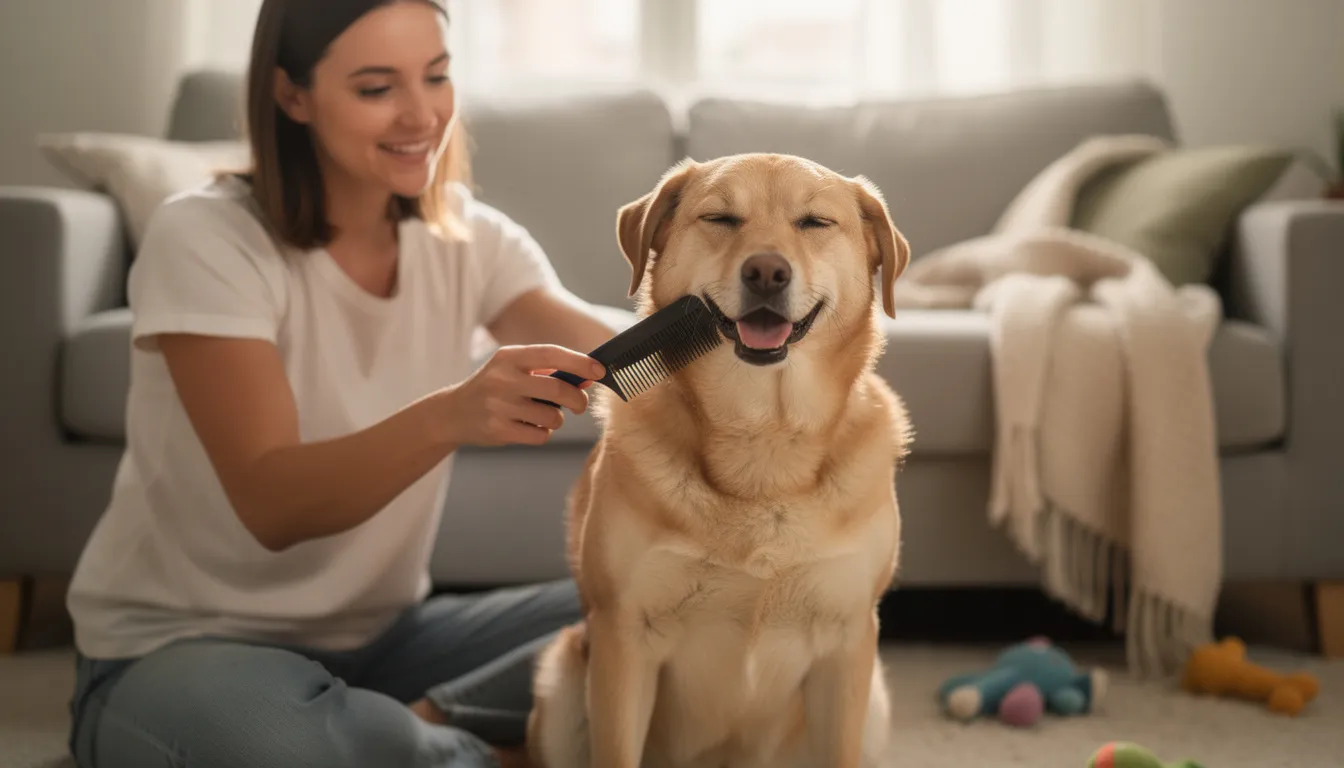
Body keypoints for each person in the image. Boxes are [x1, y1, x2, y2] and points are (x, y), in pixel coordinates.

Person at [63, 1, 617, 766]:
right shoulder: (205, 237)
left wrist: (750, 339)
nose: (422, 114)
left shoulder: (470, 235)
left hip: (388, 641)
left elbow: (605, 345)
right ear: (292, 95)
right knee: (288, 746)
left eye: (438, 76)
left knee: (691, 606)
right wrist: (450, 415)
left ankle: (419, 729)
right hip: (181, 650)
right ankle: (463, 744)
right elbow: (273, 502)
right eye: (375, 88)